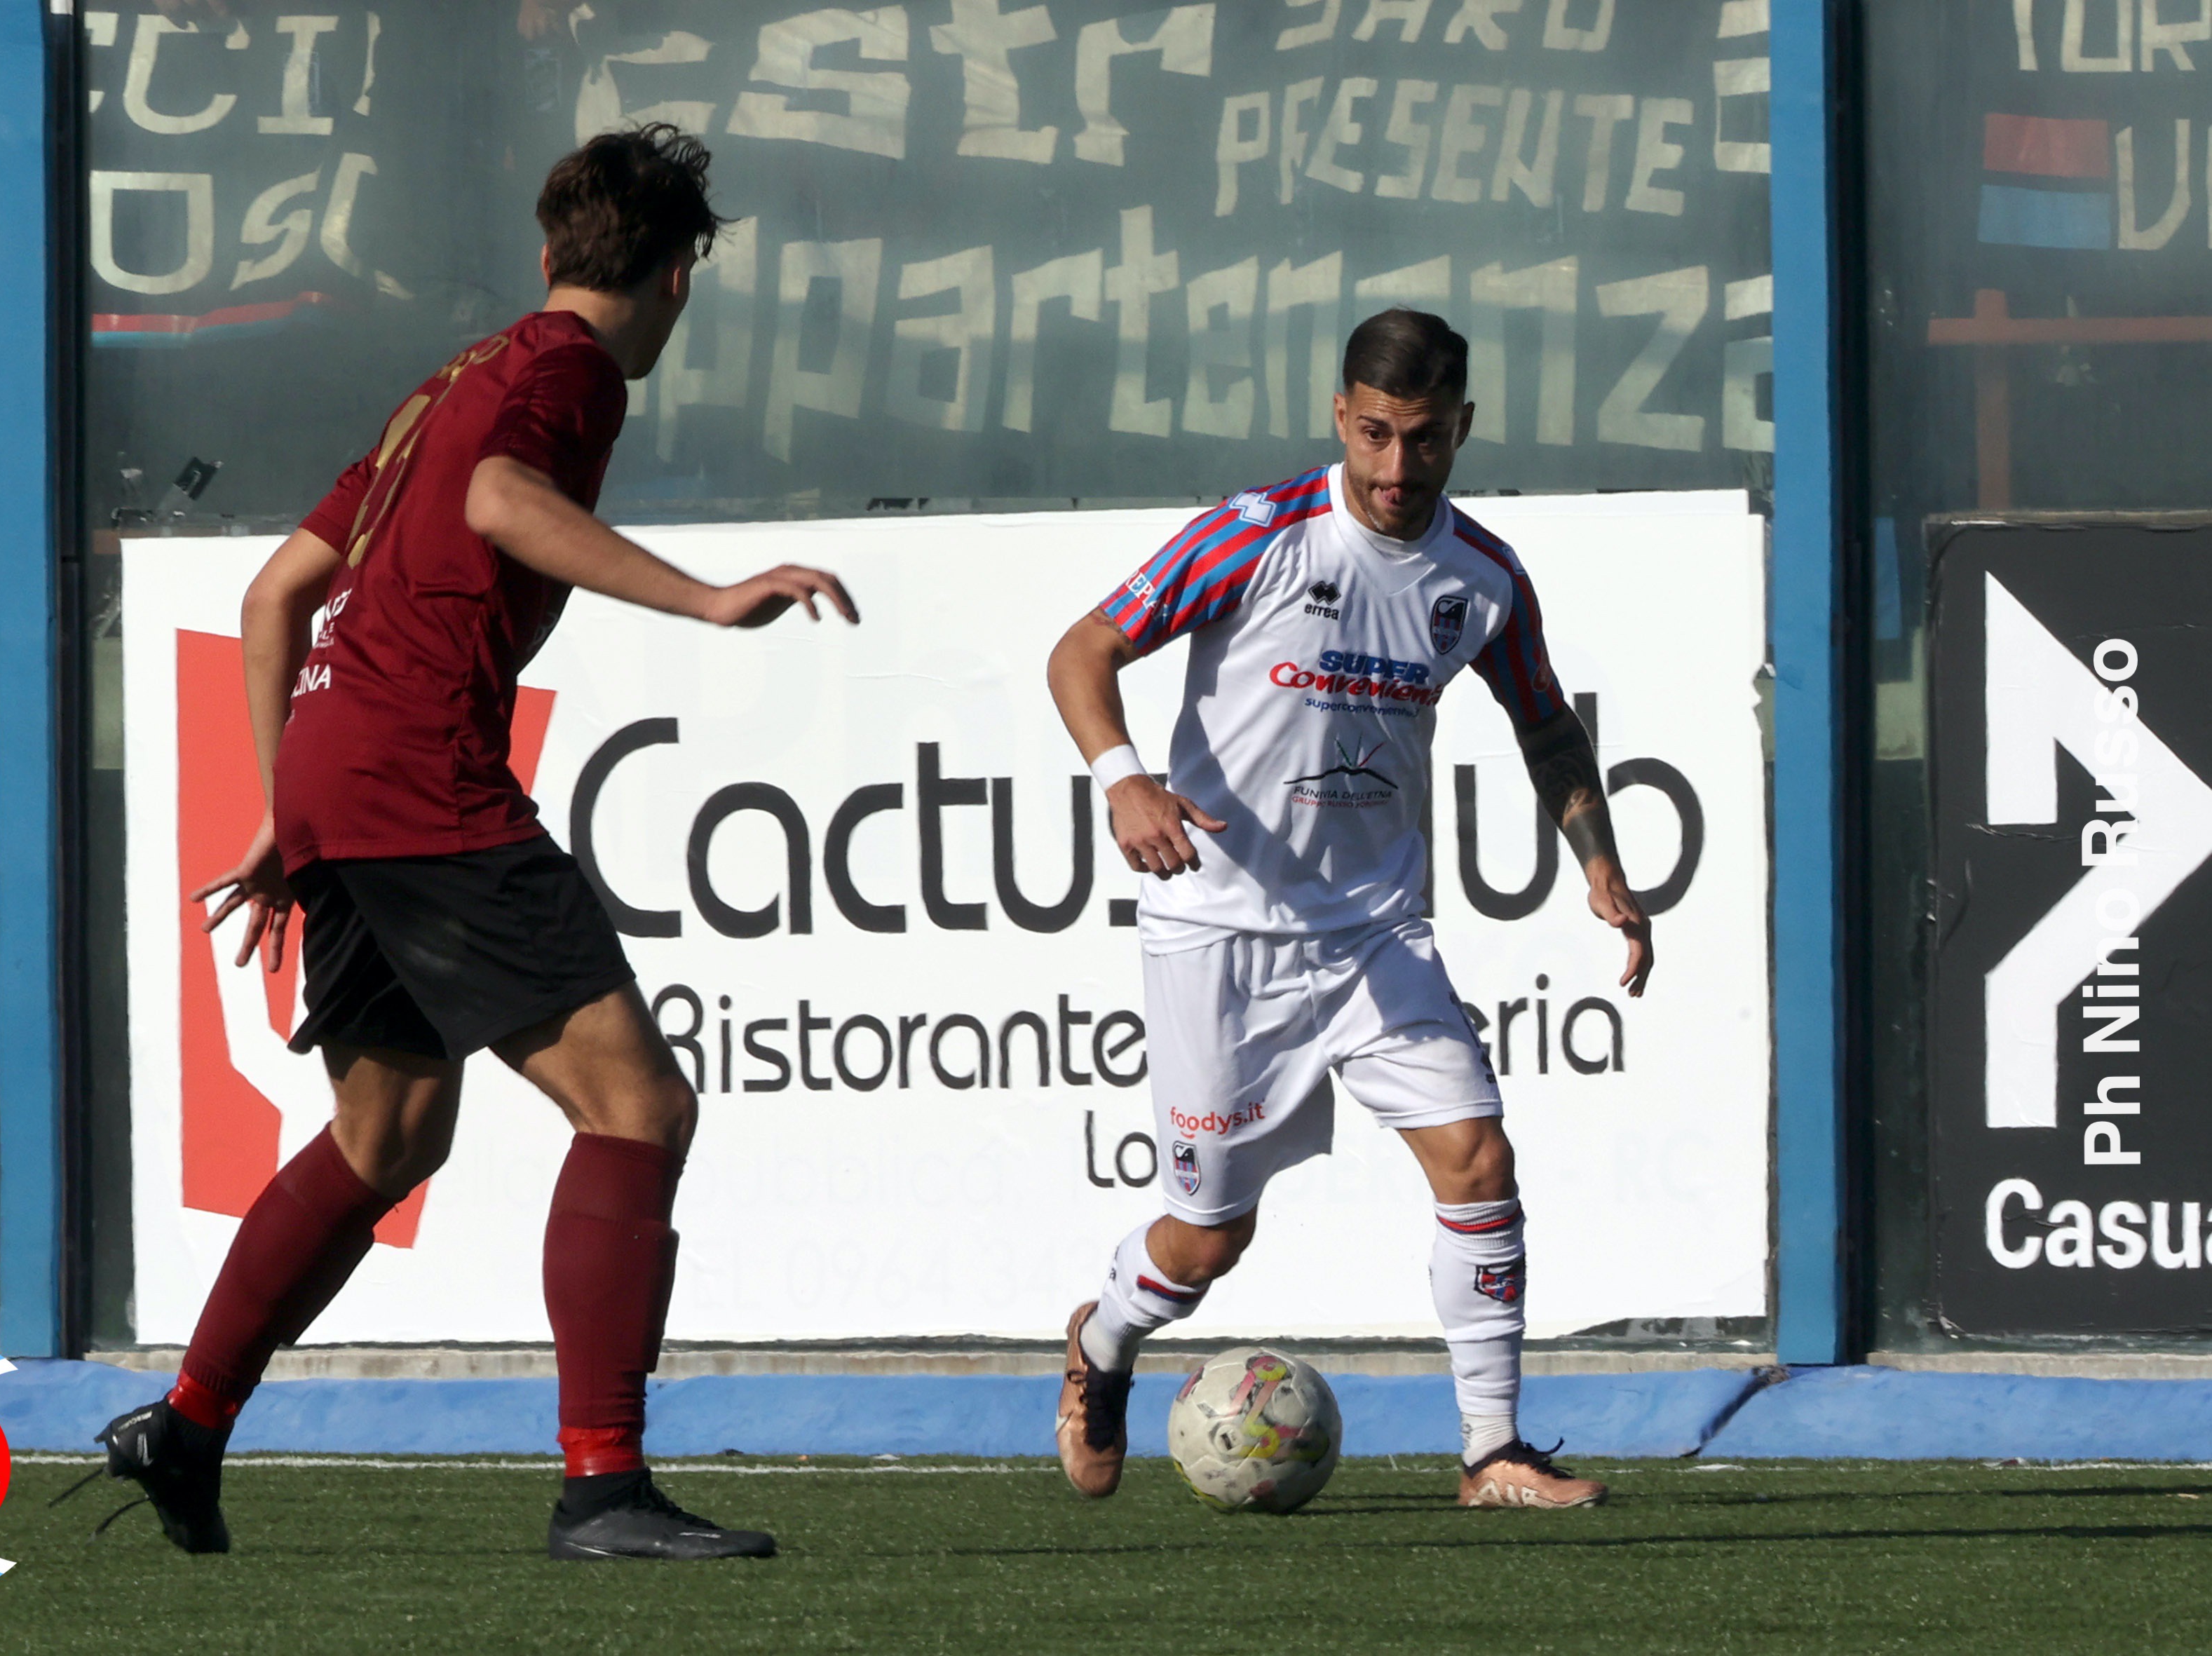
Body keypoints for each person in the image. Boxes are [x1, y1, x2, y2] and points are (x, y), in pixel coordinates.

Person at [88, 125, 855, 1562]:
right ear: (679, 277)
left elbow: (274, 597)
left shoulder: (448, 382)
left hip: (341, 766)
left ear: (548, 251)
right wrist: (706, 599)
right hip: (417, 768)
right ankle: (602, 1486)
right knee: (637, 1106)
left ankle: (185, 1422)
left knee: (386, 1133)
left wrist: (289, 803)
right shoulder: (568, 371)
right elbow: (506, 502)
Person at [1046, 308, 1652, 1511]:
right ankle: (1101, 1342)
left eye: (1423, 438)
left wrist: (1601, 864)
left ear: (1461, 428)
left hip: (1377, 933)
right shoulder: (1257, 535)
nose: (1395, 465)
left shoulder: (1482, 577)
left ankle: (1492, 1451)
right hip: (1220, 935)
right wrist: (1125, 780)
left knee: (1478, 1156)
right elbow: (1082, 650)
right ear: (1340, 415)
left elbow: (1545, 724)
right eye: (1374, 432)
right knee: (1207, 1240)